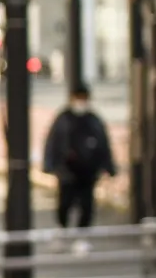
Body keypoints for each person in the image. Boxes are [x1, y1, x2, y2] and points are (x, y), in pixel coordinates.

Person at [44, 84, 116, 230]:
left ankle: (82, 234)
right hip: (67, 170)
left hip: (88, 171)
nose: (81, 102)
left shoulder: (94, 120)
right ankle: (63, 227)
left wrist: (108, 167)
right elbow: (53, 142)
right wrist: (50, 165)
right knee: (65, 202)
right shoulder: (63, 119)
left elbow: (103, 144)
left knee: (87, 204)